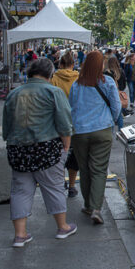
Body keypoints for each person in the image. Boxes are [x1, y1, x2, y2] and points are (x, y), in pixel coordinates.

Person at [2, 58, 77, 247]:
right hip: (47, 147)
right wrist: (66, 145)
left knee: (20, 191)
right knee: (53, 187)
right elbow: (64, 123)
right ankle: (62, 227)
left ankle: (20, 234)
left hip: (18, 148)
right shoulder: (53, 92)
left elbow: (6, 125)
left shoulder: (14, 93)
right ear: (49, 74)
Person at [68, 51, 121, 225]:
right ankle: (96, 208)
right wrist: (109, 121)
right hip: (102, 129)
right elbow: (116, 106)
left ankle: (88, 205)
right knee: (99, 170)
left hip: (80, 132)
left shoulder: (77, 85)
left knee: (84, 169)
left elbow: (71, 108)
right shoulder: (108, 82)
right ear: (100, 65)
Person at [50, 51, 81, 199]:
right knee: (74, 156)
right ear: (73, 64)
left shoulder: (54, 79)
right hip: (75, 121)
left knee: (59, 153)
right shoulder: (79, 78)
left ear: (60, 64)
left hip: (58, 122)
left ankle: (61, 181)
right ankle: (72, 186)